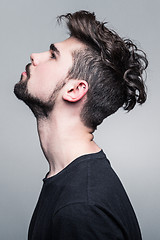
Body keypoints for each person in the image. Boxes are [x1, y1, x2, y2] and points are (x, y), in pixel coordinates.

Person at [14, 10, 148, 240]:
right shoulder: (70, 181)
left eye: (53, 55)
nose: (35, 56)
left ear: (75, 90)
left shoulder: (82, 209)